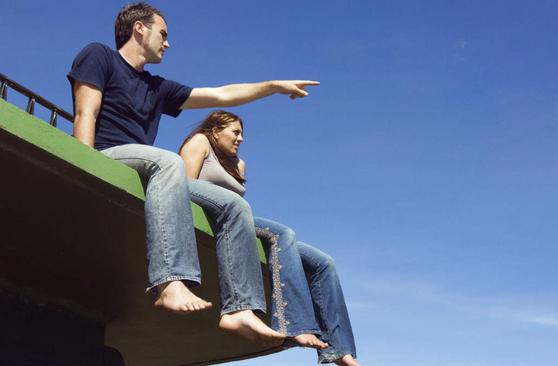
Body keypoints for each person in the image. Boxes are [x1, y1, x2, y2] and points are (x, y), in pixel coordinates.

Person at [67, 2, 319, 346]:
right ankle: (170, 280)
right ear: (140, 28)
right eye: (163, 34)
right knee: (168, 161)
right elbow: (85, 114)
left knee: (235, 207)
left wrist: (272, 86)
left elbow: (221, 94)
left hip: (151, 170)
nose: (168, 43)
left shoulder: (158, 88)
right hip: (109, 156)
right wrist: (85, 170)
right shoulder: (99, 56)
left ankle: (239, 309)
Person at [179, 110, 361, 366]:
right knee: (282, 233)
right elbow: (183, 186)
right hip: (209, 216)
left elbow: (239, 206)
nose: (240, 138)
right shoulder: (199, 142)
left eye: (243, 134)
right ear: (215, 130)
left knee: (323, 262)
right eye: (235, 132)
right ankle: (295, 324)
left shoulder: (238, 164)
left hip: (236, 221)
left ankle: (340, 350)